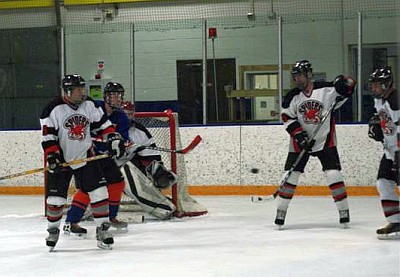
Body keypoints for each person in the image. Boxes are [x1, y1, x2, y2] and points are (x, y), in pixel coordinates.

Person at [40, 74, 125, 251]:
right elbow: (48, 137)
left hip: (86, 156)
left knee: (100, 192)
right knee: (55, 200)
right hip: (62, 159)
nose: (83, 92)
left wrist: (113, 138)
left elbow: (102, 125)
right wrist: (53, 156)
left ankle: (102, 229)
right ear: (69, 91)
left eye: (83, 88)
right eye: (79, 89)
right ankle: (53, 230)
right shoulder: (52, 109)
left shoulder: (89, 104)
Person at [276, 60, 356, 229]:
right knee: (290, 176)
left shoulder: (326, 89)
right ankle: (281, 212)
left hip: (325, 140)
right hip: (300, 143)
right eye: (295, 76)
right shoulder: (291, 97)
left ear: (309, 75)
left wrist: (344, 85)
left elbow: (349, 85)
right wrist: (299, 136)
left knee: (333, 174)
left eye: (299, 75)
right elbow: (286, 117)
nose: (296, 79)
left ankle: (344, 211)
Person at [64, 82, 131, 235]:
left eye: (119, 95)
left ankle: (111, 217)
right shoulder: (92, 107)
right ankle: (71, 222)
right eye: (113, 95)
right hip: (88, 157)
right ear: (105, 97)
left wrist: (121, 144)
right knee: (88, 189)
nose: (117, 99)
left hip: (104, 157)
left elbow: (122, 137)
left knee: (117, 183)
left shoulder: (121, 116)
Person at [367, 66, 400, 239]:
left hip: (398, 150)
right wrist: (375, 122)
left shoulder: (395, 100)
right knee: (383, 182)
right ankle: (396, 220)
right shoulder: (379, 100)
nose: (373, 88)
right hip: (390, 151)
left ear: (386, 84)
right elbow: (381, 117)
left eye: (377, 85)